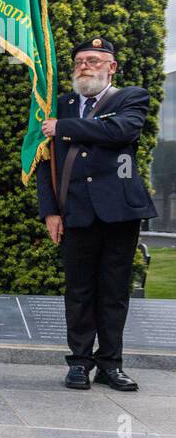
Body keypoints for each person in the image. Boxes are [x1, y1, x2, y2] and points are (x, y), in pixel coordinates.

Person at [38, 37, 157, 392]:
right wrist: (50, 212)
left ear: (111, 67)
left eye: (93, 60)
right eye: (79, 62)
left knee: (114, 291)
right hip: (75, 212)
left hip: (120, 212)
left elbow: (120, 131)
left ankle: (110, 365)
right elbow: (46, 164)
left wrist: (64, 127)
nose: (84, 67)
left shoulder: (130, 98)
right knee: (79, 290)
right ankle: (79, 363)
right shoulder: (61, 104)